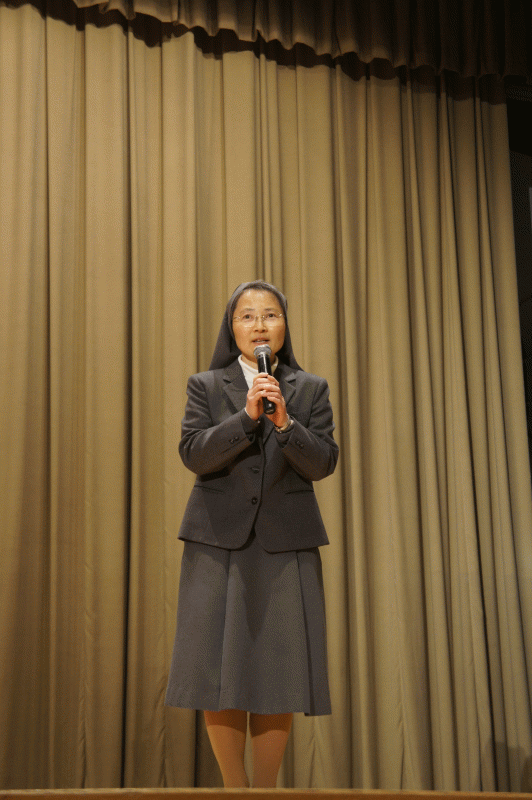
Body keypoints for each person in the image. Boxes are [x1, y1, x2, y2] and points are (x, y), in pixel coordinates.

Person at [165, 280, 339, 788]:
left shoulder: (310, 389)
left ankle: (265, 793)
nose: (259, 325)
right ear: (232, 327)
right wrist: (245, 417)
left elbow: (323, 462)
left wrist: (285, 424)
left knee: (277, 672)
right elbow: (194, 454)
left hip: (286, 546)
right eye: (247, 316)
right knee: (216, 670)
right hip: (216, 544)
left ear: (284, 325)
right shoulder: (205, 385)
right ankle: (234, 792)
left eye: (270, 314)